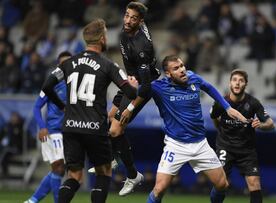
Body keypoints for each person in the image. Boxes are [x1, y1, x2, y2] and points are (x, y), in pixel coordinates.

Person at [41, 19, 137, 203]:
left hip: (70, 126)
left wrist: (63, 107)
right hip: (94, 127)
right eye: (106, 35)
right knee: (104, 172)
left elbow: (47, 86)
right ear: (102, 39)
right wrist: (132, 84)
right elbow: (130, 93)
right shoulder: (108, 65)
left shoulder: (68, 63)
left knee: (74, 176)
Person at [145, 55, 248, 203]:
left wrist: (227, 107)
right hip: (175, 145)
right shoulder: (159, 87)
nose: (182, 70)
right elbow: (138, 91)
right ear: (168, 74)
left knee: (222, 185)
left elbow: (209, 87)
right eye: (176, 68)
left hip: (200, 144)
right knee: (159, 189)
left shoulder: (193, 78)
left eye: (182, 65)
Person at [101, 1, 160, 196]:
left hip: (141, 87)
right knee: (109, 119)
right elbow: (139, 10)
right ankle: (114, 157)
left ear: (140, 21)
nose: (127, 20)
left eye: (133, 18)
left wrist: (130, 108)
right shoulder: (127, 31)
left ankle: (133, 175)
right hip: (131, 81)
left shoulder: (142, 47)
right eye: (126, 15)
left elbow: (146, 86)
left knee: (116, 130)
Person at [210, 69, 275, 203]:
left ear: (246, 84)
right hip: (225, 148)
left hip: (246, 150)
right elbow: (214, 116)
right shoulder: (221, 102)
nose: (237, 83)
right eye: (234, 80)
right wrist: (220, 129)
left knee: (255, 184)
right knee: (221, 184)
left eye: (241, 81)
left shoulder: (253, 103)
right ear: (230, 84)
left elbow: (271, 124)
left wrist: (260, 125)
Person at [24, 51, 72, 203]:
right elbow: (37, 107)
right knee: (58, 168)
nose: (66, 66)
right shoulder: (52, 83)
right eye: (63, 63)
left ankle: (32, 201)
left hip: (69, 130)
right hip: (53, 130)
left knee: (59, 170)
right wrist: (42, 127)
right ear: (58, 65)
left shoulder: (76, 82)